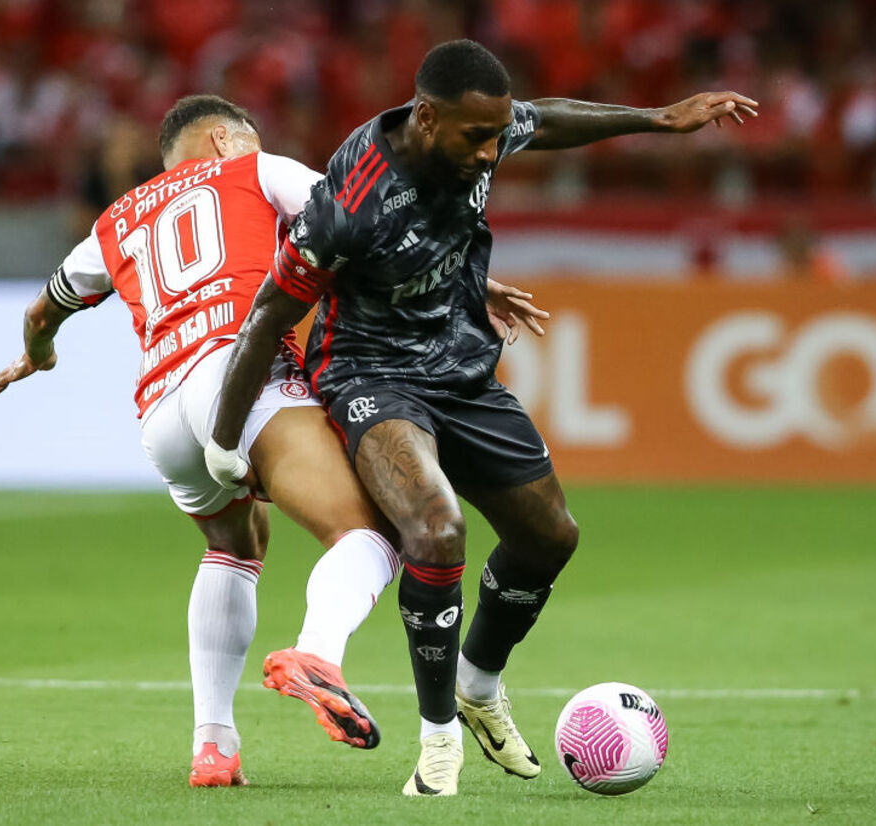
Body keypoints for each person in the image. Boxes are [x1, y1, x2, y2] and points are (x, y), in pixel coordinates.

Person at [206, 40, 758, 797]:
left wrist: (658, 119)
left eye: (498, 136)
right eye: (477, 138)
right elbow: (270, 315)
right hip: (371, 372)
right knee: (436, 529)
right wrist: (224, 440)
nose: (491, 152)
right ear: (427, 118)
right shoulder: (351, 201)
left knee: (550, 537)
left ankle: (477, 685)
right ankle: (438, 743)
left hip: (460, 363)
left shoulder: (481, 131)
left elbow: (547, 120)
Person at [0, 94, 547, 788]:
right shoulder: (256, 169)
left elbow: (43, 311)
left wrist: (37, 357)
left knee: (234, 546)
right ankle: (317, 653)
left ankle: (213, 745)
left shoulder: (116, 220)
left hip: (162, 412)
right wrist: (470, 285)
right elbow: (366, 222)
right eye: (248, 136)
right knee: (376, 532)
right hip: (240, 377)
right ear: (222, 139)